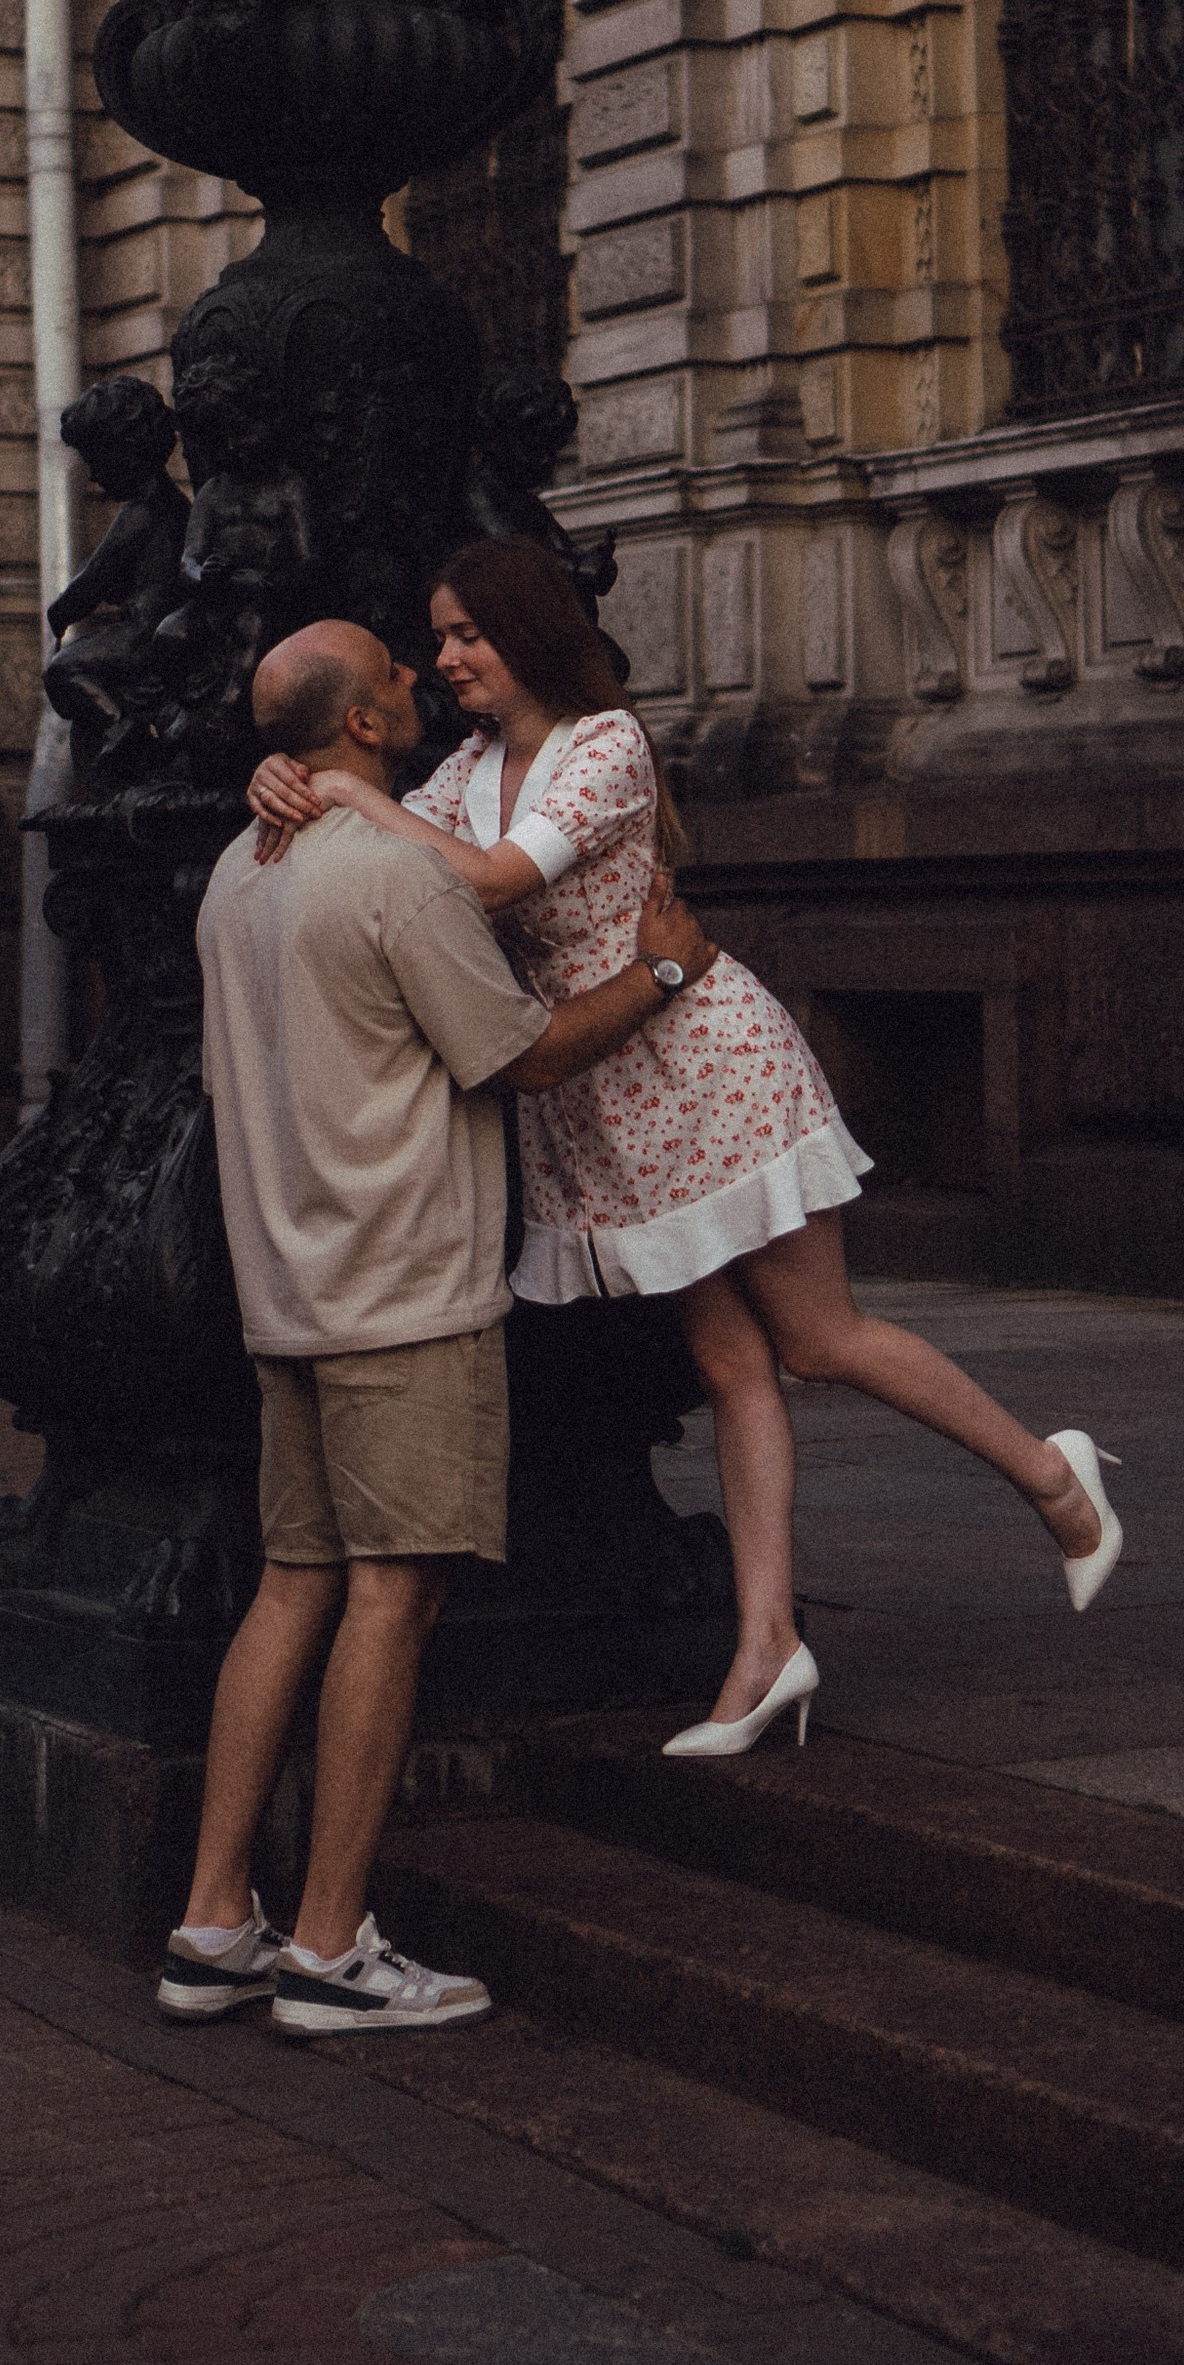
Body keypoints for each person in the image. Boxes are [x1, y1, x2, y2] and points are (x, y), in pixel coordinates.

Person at [249, 534, 1123, 1761]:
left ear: (526, 632)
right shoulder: (462, 770)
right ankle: (767, 1646)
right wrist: (289, 783)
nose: (444, 659)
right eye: (437, 639)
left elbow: (490, 883)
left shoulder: (603, 746)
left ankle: (1051, 1476)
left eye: (465, 634)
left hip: (701, 1066)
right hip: (603, 1096)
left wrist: (346, 794)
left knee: (818, 1339)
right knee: (726, 1363)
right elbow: (406, 855)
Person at [169, 613, 719, 2033]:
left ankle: (212, 1921)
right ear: (357, 727)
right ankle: (331, 1949)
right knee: (392, 1600)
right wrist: (658, 974)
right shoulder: (395, 882)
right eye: (398, 678)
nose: (421, 683)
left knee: (290, 1587)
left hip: (286, 1289)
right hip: (405, 1291)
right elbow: (523, 1054)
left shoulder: (239, 872)